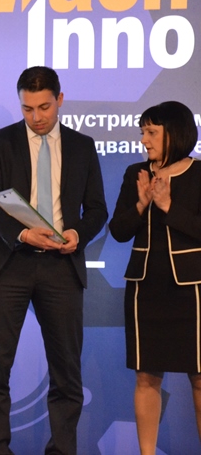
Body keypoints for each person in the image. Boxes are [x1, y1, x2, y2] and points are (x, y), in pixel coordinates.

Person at [0, 66, 107, 455]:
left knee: (67, 371)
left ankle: (62, 450)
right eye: (27, 108)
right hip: (7, 261)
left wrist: (78, 234)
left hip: (61, 265)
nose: (36, 117)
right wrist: (21, 234)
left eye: (44, 107)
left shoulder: (82, 146)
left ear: (59, 100)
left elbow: (97, 208)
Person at [108, 101, 201, 455]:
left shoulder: (198, 172)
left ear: (174, 133)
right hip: (145, 288)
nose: (144, 140)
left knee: (199, 378)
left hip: (193, 291)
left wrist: (168, 206)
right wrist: (141, 203)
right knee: (146, 376)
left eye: (151, 132)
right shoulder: (136, 172)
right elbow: (118, 231)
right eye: (143, 132)